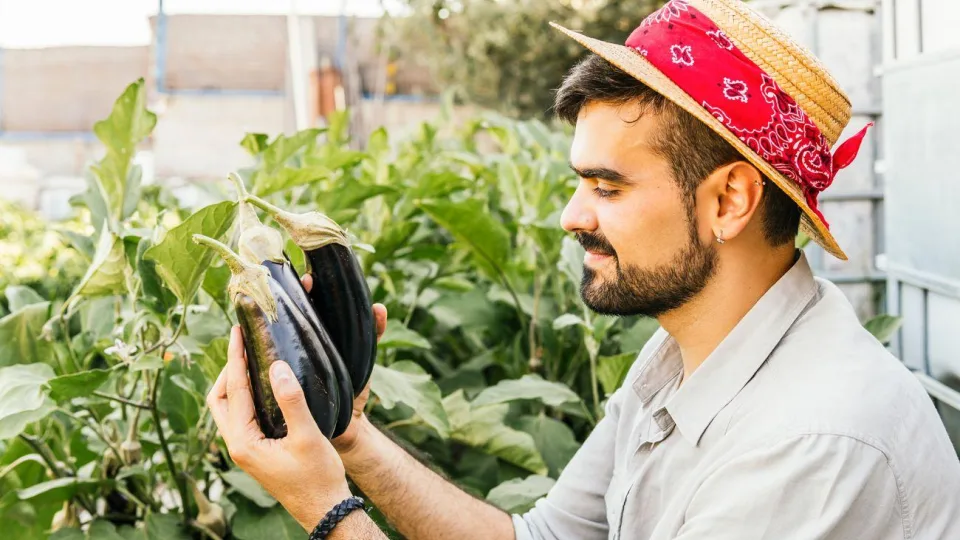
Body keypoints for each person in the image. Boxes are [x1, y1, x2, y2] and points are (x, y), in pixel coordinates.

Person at [206, 0, 960, 538]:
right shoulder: (683, 360)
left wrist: (331, 515)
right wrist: (347, 437)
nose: (572, 215)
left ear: (729, 199)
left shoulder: (812, 444)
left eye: (607, 186)